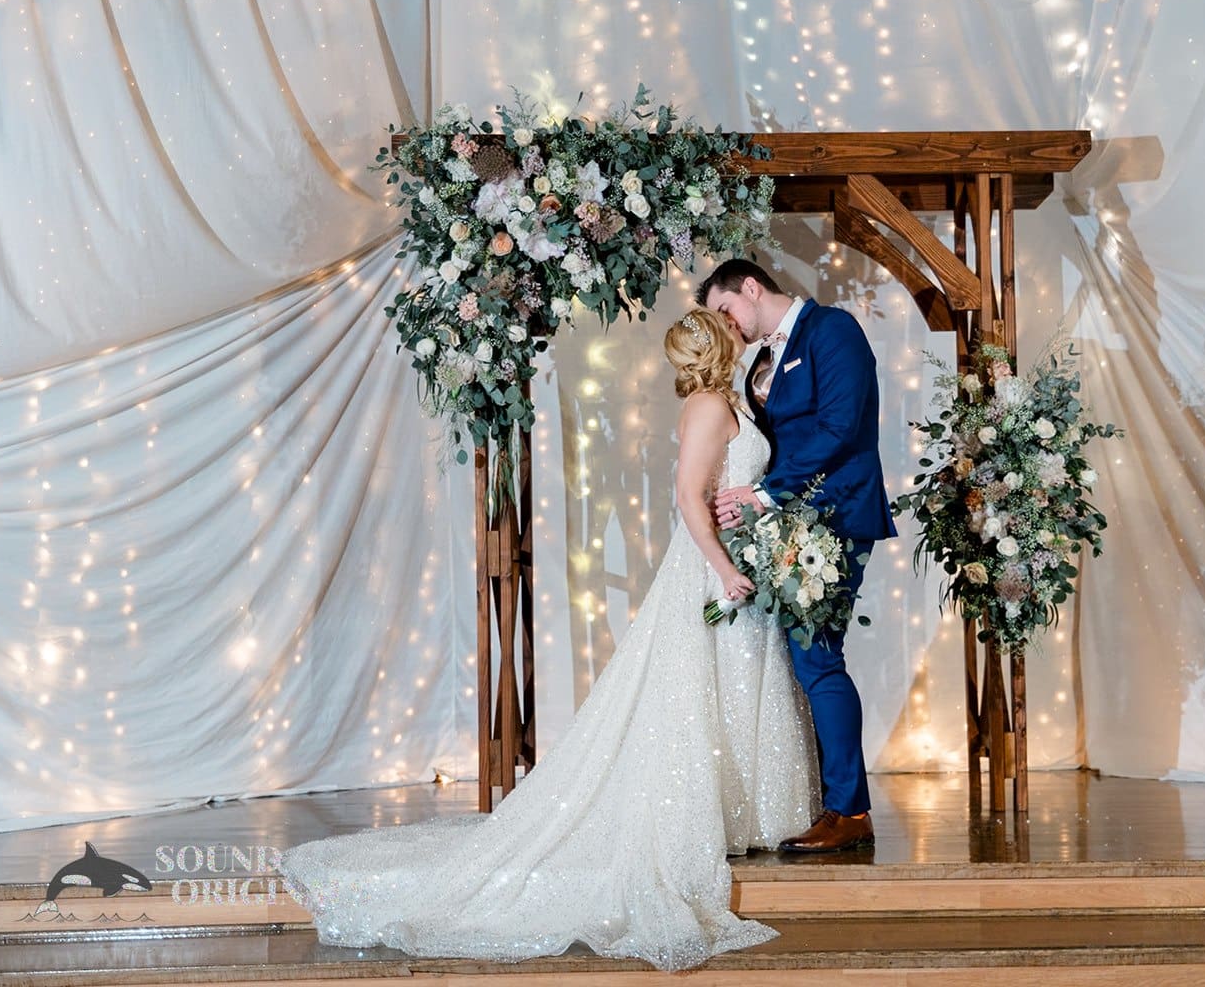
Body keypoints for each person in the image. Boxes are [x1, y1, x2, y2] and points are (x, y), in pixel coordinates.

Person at [279, 309, 819, 972]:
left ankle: (740, 812)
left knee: (733, 685)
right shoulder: (708, 407)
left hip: (734, 560)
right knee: (703, 692)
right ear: (715, 345)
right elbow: (688, 497)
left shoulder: (726, 402)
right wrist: (726, 569)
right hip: (713, 569)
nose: (740, 330)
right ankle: (710, 816)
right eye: (727, 327)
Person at [697, 259, 895, 854]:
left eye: (725, 310)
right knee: (806, 661)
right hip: (790, 526)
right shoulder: (763, 358)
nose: (727, 325)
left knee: (817, 660)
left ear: (750, 287)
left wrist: (761, 494)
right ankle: (830, 801)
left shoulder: (832, 330)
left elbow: (839, 428)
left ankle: (849, 811)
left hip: (837, 516)